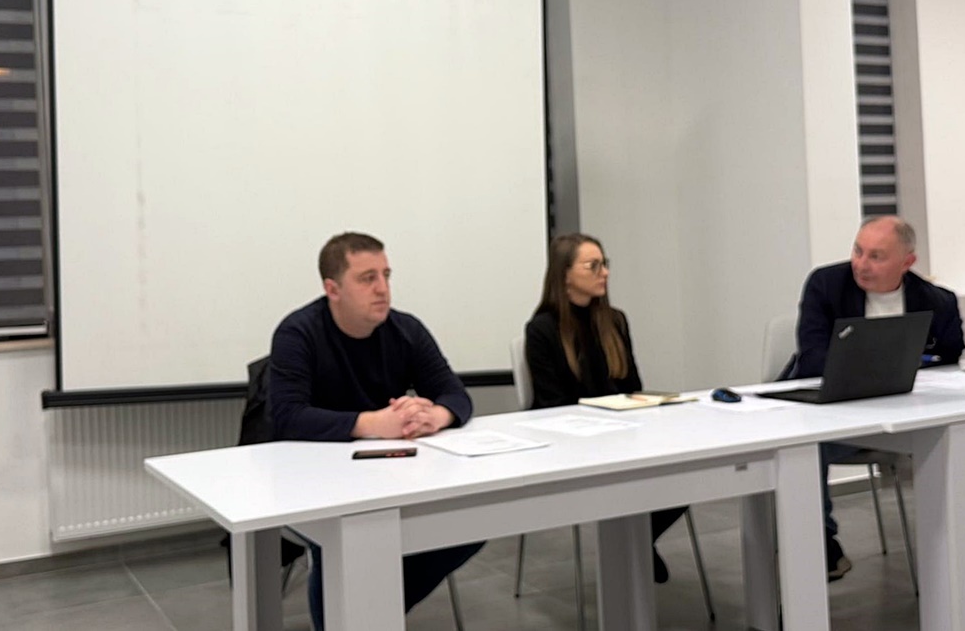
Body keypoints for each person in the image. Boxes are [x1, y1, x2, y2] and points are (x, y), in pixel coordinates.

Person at [268, 232, 483, 630]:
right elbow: (285, 416)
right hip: (314, 480)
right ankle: (353, 615)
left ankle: (368, 610)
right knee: (344, 533)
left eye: (386, 275)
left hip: (390, 475)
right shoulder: (298, 333)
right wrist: (372, 423)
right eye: (367, 278)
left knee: (474, 520)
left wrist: (435, 416)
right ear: (333, 289)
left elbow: (455, 394)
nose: (382, 288)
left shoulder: (405, 329)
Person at [790, 215, 965, 581]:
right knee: (806, 446)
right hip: (834, 412)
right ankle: (820, 542)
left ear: (907, 262)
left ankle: (958, 548)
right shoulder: (827, 285)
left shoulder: (937, 301)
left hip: (906, 412)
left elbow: (949, 356)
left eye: (876, 256)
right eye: (858, 251)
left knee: (962, 435)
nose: (861, 264)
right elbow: (812, 358)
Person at [524, 233, 687, 584]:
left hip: (621, 432)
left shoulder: (615, 321)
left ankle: (639, 538)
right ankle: (634, 541)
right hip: (572, 442)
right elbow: (551, 404)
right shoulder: (542, 329)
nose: (605, 273)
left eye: (605, 264)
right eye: (593, 265)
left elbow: (633, 387)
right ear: (565, 274)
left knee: (687, 469)